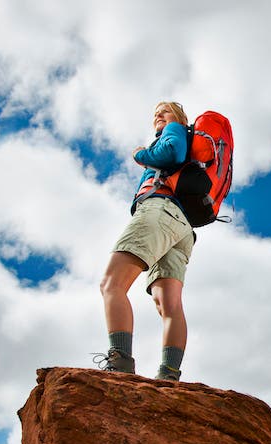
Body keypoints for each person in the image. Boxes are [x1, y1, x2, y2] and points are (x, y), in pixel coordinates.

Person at [98, 101, 196, 381]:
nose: (158, 117)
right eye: (155, 114)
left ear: (178, 118)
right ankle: (169, 376)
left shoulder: (175, 131)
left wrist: (140, 154)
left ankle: (120, 364)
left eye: (163, 112)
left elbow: (171, 152)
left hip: (159, 210)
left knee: (111, 284)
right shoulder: (195, 149)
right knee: (170, 305)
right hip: (183, 228)